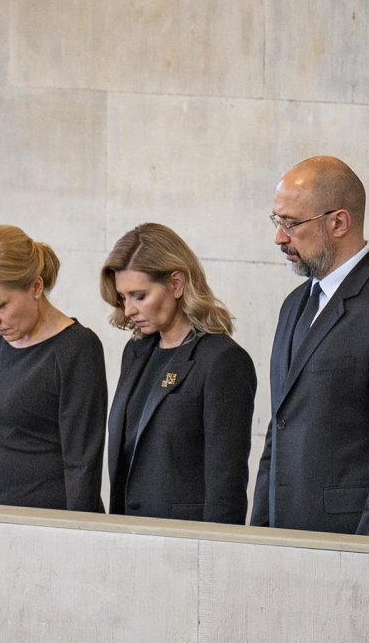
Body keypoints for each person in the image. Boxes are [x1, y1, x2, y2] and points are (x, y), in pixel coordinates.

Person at [250, 156, 369, 540]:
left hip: (355, 549)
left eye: (291, 223)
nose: (279, 237)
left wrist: (366, 556)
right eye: (277, 221)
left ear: (339, 222)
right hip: (287, 540)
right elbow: (280, 430)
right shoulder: (294, 305)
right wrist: (260, 533)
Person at [100, 223, 256, 523]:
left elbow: (226, 485)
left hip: (187, 546)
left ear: (176, 284)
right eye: (123, 298)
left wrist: (214, 555)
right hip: (128, 536)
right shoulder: (135, 352)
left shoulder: (222, 361)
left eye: (139, 296)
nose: (129, 309)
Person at [0, 225, 106, 512]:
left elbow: (82, 463)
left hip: (50, 529)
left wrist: (81, 535)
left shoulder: (77, 348)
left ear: (36, 287)